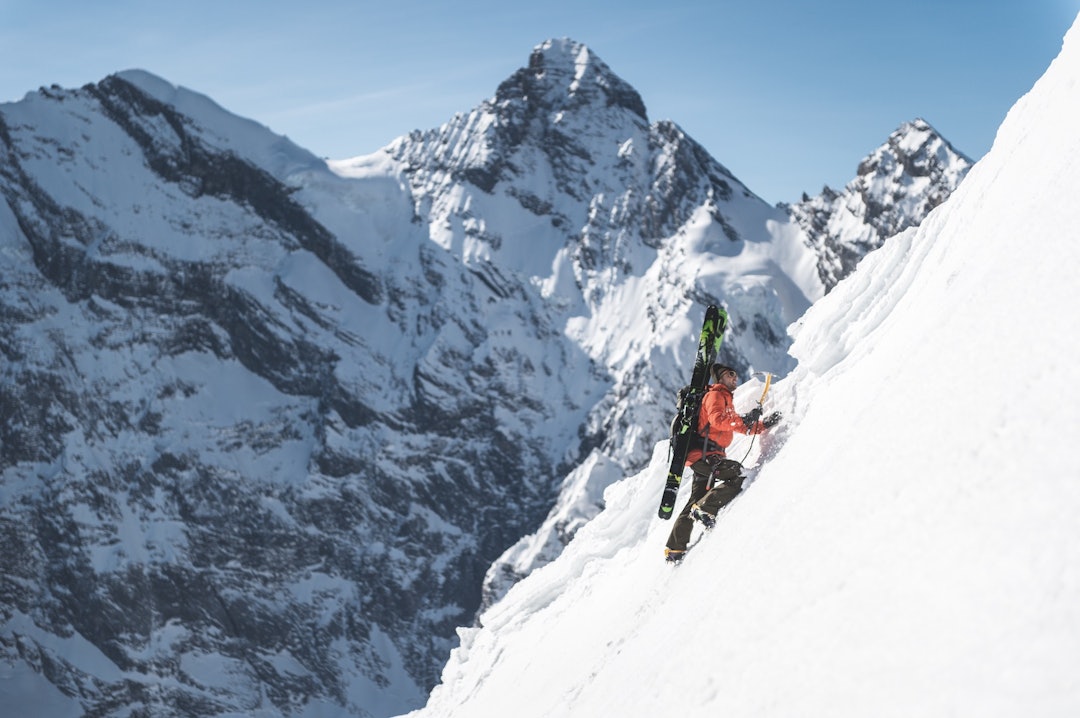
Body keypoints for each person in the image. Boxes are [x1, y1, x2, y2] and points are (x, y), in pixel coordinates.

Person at [664, 363, 780, 563]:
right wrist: (743, 418)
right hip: (705, 456)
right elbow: (718, 420)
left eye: (736, 374)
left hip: (703, 457)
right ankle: (706, 508)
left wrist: (762, 425)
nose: (735, 377)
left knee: (695, 499)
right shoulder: (716, 395)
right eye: (730, 374)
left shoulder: (725, 397)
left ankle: (675, 547)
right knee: (739, 474)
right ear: (720, 378)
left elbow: (734, 425)